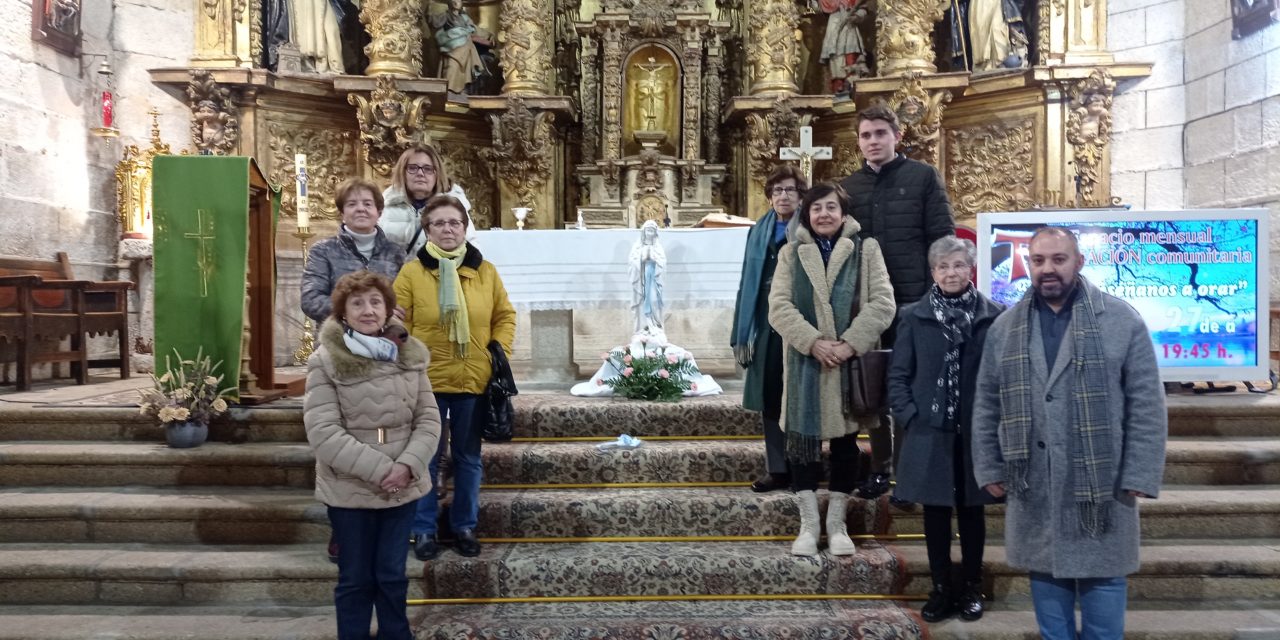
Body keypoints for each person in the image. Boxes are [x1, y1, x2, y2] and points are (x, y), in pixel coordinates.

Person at [971, 227, 1168, 640]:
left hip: (1103, 480)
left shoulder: (1120, 320)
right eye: (1038, 260)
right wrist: (989, 464)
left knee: (1105, 578)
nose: (1047, 269)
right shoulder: (1005, 327)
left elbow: (1146, 404)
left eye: (1058, 259)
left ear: (1079, 262)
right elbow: (987, 402)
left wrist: (1140, 473)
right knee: (1046, 572)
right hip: (1034, 478)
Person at [303, 271, 441, 640]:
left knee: (392, 575)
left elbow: (428, 419)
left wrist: (408, 465)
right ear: (344, 313)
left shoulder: (410, 354)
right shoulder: (325, 360)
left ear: (388, 309)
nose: (368, 310)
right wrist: (383, 470)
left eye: (376, 302)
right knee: (356, 578)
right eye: (358, 303)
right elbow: (323, 432)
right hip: (350, 486)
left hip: (403, 483)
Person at [767, 182, 896, 557]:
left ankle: (837, 524)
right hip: (805, 361)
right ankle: (808, 525)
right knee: (802, 447)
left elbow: (882, 303)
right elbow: (779, 307)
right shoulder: (791, 253)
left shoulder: (865, 250)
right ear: (806, 215)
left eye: (831, 208)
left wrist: (848, 344)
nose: (824, 215)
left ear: (843, 213)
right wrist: (813, 342)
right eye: (817, 208)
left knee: (845, 445)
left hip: (848, 364)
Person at [839, 102, 955, 502]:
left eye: (880, 134)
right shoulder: (849, 188)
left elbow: (942, 238)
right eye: (866, 135)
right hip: (867, 306)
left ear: (896, 136)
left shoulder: (923, 178)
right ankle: (879, 468)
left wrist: (936, 296)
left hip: (913, 302)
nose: (872, 141)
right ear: (858, 142)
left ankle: (910, 474)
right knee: (871, 391)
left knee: (909, 390)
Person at [887, 236, 1003, 623]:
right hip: (929, 431)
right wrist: (911, 417)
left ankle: (971, 586)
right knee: (935, 514)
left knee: (972, 512)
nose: (950, 273)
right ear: (933, 272)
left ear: (970, 269)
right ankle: (941, 588)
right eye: (942, 267)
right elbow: (899, 375)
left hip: (974, 432)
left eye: (957, 265)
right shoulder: (914, 316)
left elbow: (1002, 375)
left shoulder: (994, 316)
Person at [395, 194, 516, 561]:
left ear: (464, 228)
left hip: (473, 379)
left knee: (467, 458)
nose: (447, 229)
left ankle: (464, 525)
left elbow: (505, 316)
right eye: (439, 223)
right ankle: (424, 529)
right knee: (426, 459)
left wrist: (497, 351)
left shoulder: (486, 271)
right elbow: (398, 322)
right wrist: (410, 355)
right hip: (426, 381)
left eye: (454, 223)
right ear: (427, 230)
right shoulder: (412, 272)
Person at [731, 165, 807, 493]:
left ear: (801, 194)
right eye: (777, 191)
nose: (783, 196)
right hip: (765, 317)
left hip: (801, 314)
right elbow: (746, 280)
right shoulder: (758, 230)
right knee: (771, 394)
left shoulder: (810, 226)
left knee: (801, 393)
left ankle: (802, 466)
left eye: (789, 190)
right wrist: (743, 329)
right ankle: (777, 468)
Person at [301, 177, 405, 327]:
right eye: (352, 204)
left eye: (367, 204)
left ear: (379, 212)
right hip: (337, 340)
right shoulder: (323, 250)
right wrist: (353, 311)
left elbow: (402, 300)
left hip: (384, 339)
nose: (360, 208)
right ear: (342, 213)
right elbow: (310, 300)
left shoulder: (396, 252)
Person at [380, 144, 475, 259]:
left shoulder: (454, 207)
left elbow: (471, 249)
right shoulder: (386, 205)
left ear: (437, 174)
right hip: (396, 276)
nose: (420, 173)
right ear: (403, 172)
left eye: (428, 169)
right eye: (413, 168)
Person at [431, 0, 493, 95]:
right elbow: (435, 23)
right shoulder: (446, 15)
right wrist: (429, 8)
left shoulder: (464, 17)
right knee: (452, 66)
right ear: (449, 3)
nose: (456, 2)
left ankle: (463, 89)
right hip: (451, 46)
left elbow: (475, 29)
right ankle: (450, 90)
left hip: (465, 47)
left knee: (464, 69)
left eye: (459, 0)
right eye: (454, 0)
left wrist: (489, 36)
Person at [627, 220, 666, 336]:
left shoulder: (658, 247)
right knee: (642, 302)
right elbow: (632, 261)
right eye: (648, 230)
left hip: (653, 278)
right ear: (644, 232)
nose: (650, 233)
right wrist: (641, 259)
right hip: (641, 278)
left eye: (652, 231)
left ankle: (655, 325)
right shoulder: (637, 246)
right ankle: (643, 328)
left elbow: (663, 262)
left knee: (654, 300)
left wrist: (654, 259)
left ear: (655, 233)